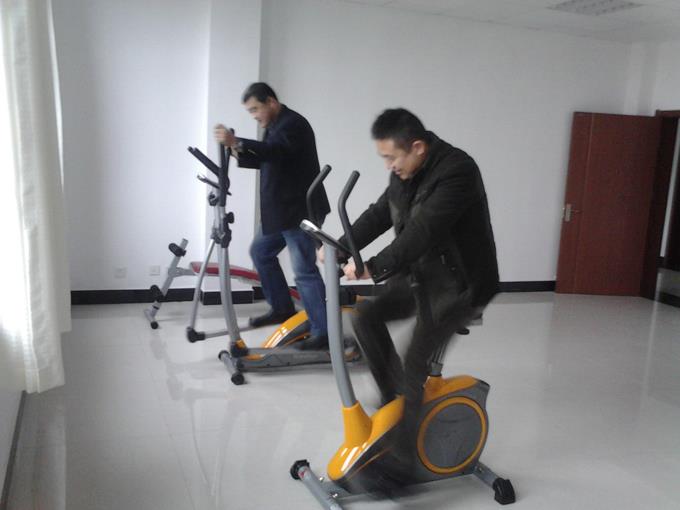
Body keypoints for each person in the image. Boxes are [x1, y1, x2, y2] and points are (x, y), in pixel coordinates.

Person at [337, 107, 499, 487]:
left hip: (459, 286)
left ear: (418, 147)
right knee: (366, 318)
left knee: (415, 360)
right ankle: (398, 405)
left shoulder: (458, 171)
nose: (388, 166)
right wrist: (340, 246)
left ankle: (402, 465)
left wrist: (373, 266)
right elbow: (380, 213)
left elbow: (423, 231)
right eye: (384, 158)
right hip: (420, 275)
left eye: (391, 157)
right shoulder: (404, 172)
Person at [214, 82, 330, 348]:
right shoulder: (275, 125)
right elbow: (267, 158)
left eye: (255, 109)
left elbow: (277, 152)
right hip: (280, 212)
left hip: (299, 212)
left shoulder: (293, 124)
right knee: (260, 253)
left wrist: (237, 141)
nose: (254, 116)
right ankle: (281, 308)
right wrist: (236, 149)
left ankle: (323, 332)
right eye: (250, 111)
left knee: (304, 272)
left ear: (272, 102)